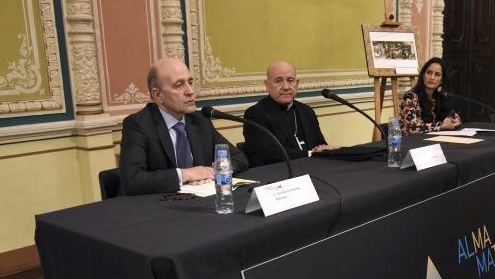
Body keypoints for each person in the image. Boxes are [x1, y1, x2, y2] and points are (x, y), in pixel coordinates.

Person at [119, 58, 248, 195]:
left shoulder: (199, 120)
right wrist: (186, 174)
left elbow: (238, 157)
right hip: (155, 208)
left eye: (190, 82)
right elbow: (132, 180)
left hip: (199, 201)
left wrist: (213, 171)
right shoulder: (138, 124)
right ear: (158, 95)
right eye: (179, 85)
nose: (190, 91)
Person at [243, 60, 337, 167]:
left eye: (290, 80)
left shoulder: (306, 111)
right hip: (280, 175)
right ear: (267, 85)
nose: (286, 87)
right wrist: (310, 154)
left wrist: (325, 149)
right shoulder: (255, 114)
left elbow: (319, 144)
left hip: (316, 169)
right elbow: (267, 155)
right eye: (278, 81)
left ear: (297, 84)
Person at [399, 57, 462, 135]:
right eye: (429, 73)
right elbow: (410, 128)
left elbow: (457, 118)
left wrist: (450, 121)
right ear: (423, 75)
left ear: (442, 80)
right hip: (412, 143)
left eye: (437, 74)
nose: (432, 77)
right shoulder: (410, 97)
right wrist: (441, 126)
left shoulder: (439, 96)